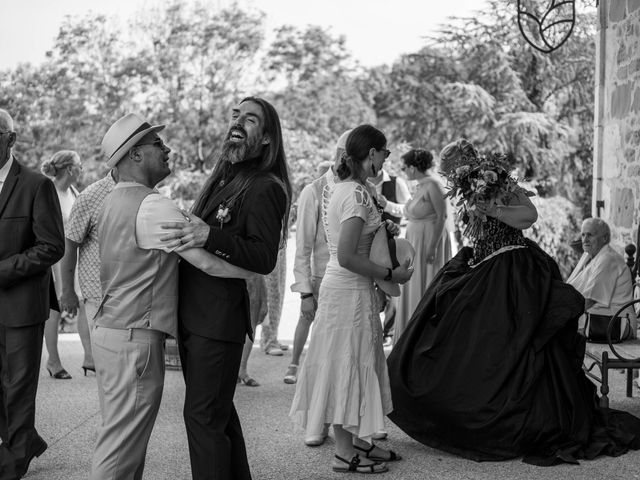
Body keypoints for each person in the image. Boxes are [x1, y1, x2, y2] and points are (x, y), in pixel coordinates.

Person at [387, 138, 640, 466]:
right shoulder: (467, 187)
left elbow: (528, 215)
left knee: (513, 341)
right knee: (458, 331)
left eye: (450, 172)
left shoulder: (497, 180)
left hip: (511, 266)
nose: (449, 179)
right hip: (482, 263)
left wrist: (494, 209)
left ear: (465, 164)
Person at [90, 113, 254, 480]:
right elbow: (207, 264)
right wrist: (254, 269)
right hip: (135, 338)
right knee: (119, 451)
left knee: (120, 441)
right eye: (157, 144)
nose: (167, 149)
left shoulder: (113, 201)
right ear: (133, 155)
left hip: (111, 331)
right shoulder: (152, 205)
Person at [160, 97, 291, 480]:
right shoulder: (225, 175)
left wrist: (208, 234)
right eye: (235, 116)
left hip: (218, 323)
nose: (238, 123)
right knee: (218, 415)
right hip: (195, 316)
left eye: (250, 120)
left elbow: (263, 257)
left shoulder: (267, 186)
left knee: (202, 418)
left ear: (267, 138)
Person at [290, 125, 413, 475]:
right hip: (348, 292)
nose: (387, 157)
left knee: (360, 361)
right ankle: (344, 454)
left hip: (345, 290)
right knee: (347, 364)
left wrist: (380, 232)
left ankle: (359, 440)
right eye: (384, 151)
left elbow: (355, 242)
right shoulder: (358, 195)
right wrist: (391, 275)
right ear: (370, 154)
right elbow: (346, 256)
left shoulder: (345, 189)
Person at [0, 109, 65, 479]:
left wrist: (4, 271)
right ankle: (26, 439)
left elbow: (51, 246)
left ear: (11, 138)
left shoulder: (36, 185)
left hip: (22, 304)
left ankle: (14, 460)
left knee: (18, 384)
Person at [285, 130, 349, 393]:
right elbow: (303, 247)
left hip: (354, 282)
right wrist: (305, 293)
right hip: (321, 276)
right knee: (309, 322)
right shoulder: (313, 191)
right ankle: (295, 364)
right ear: (345, 156)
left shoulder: (365, 189)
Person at [58, 168, 119, 375]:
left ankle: (90, 357)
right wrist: (67, 291)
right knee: (112, 377)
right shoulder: (91, 195)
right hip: (99, 294)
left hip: (134, 295)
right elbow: (70, 243)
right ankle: (89, 356)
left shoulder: (150, 193)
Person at [40, 150, 90, 379]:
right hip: (53, 258)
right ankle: (54, 361)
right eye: (80, 165)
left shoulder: (73, 192)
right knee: (55, 307)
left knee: (82, 302)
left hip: (74, 257)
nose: (83, 169)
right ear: (70, 169)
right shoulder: (46, 189)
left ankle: (89, 357)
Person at [395, 149, 451, 342]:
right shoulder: (420, 185)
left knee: (425, 283)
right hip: (416, 240)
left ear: (413, 167)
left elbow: (442, 216)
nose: (403, 172)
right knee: (413, 283)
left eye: (404, 168)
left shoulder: (434, 185)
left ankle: (423, 335)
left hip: (428, 241)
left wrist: (433, 247)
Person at [567, 217, 637, 338]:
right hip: (599, 321)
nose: (585, 239)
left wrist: (561, 316)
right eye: (583, 235)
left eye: (590, 235)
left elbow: (590, 300)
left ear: (604, 238)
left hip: (617, 325)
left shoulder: (608, 259)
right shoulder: (590, 256)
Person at [368, 164, 411, 344]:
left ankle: (388, 331)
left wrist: (389, 206)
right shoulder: (361, 184)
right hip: (369, 244)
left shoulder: (396, 182)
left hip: (391, 243)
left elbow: (408, 209)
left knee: (391, 288)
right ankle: (372, 328)